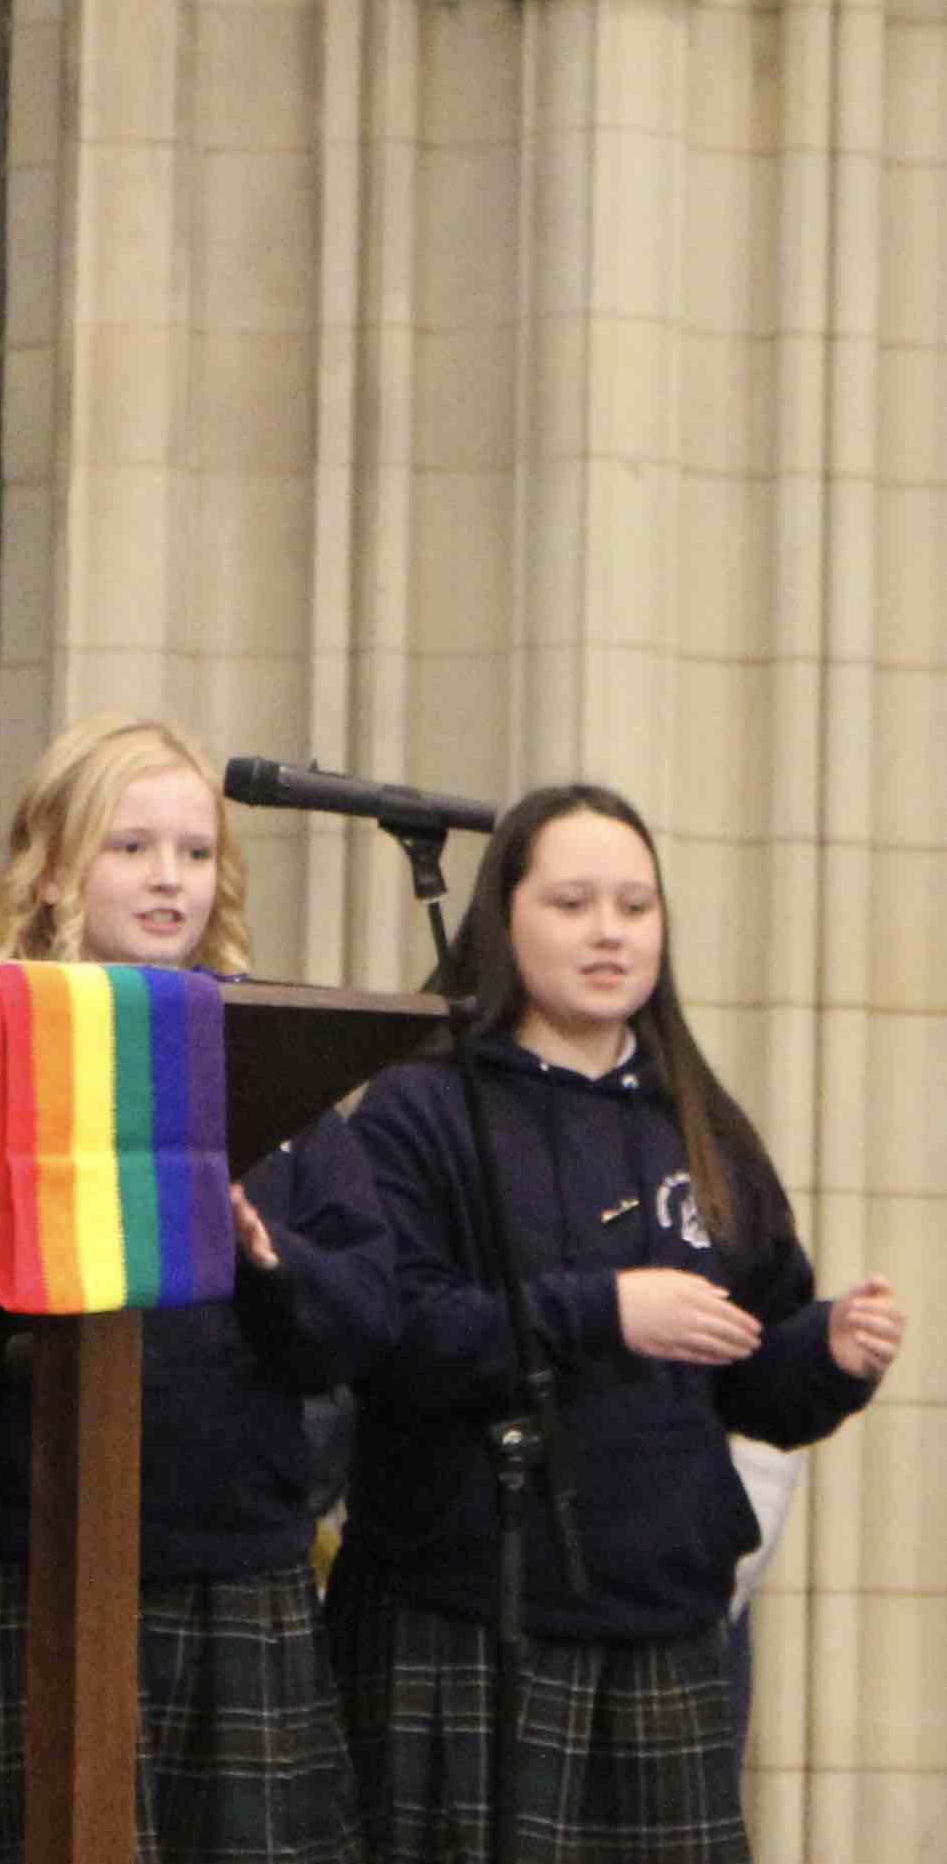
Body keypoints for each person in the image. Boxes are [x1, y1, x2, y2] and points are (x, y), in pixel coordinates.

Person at [330, 783, 905, 1863]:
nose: (610, 931)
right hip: (470, 1612)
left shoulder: (696, 1115)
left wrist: (825, 1353)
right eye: (575, 901)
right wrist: (602, 1309)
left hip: (665, 1620)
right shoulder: (422, 1105)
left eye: (636, 906)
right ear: (505, 918)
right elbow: (391, 1333)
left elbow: (754, 1381)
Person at [0, 714, 392, 1863]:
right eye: (131, 847)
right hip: (29, 1576)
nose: (171, 878)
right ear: (55, 862)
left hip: (232, 1574)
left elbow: (363, 1316)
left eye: (196, 851)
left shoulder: (271, 1060)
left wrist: (266, 1253)